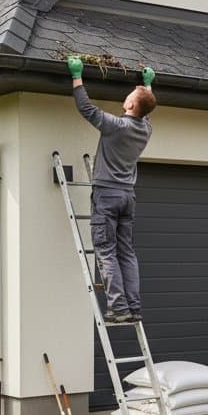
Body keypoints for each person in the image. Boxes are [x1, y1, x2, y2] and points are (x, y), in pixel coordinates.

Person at [68, 56, 157, 324]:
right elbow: (147, 106)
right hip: (127, 196)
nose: (127, 95)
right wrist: (148, 86)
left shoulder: (116, 126)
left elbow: (86, 108)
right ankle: (133, 306)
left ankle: (118, 309)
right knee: (126, 252)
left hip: (107, 196)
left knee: (106, 251)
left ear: (130, 104)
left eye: (131, 94)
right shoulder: (146, 129)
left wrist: (77, 75)